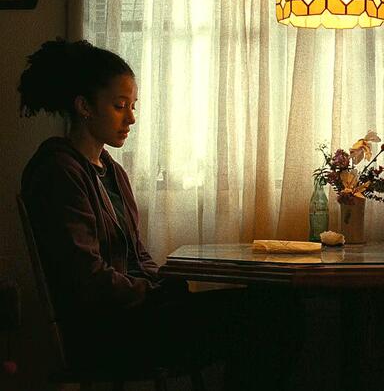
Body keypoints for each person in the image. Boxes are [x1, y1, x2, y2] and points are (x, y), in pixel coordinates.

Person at [18, 39, 303, 390]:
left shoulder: (111, 170)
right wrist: (153, 293)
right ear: (84, 106)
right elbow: (86, 277)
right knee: (270, 315)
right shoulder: (58, 172)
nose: (131, 118)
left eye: (133, 106)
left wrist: (161, 283)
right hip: (105, 332)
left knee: (274, 303)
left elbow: (137, 255)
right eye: (120, 106)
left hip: (137, 316)